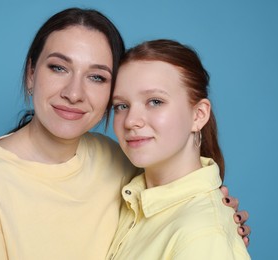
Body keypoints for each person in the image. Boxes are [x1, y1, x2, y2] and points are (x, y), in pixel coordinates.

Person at [0, 8, 249, 260]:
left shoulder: (116, 159)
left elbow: (179, 203)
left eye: (97, 77)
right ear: (32, 73)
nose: (74, 93)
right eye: (59, 68)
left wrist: (213, 216)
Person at [107, 39, 251, 259]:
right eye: (121, 106)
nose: (130, 121)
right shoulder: (129, 196)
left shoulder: (202, 235)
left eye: (155, 101)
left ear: (198, 115)